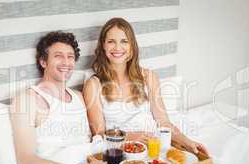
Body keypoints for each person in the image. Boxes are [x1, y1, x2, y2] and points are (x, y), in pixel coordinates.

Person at [83, 18, 209, 155]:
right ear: (103, 46)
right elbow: (99, 134)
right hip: (120, 152)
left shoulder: (149, 77)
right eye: (111, 41)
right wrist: (128, 137)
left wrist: (187, 141)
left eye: (124, 41)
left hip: (155, 147)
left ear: (132, 46)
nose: (118, 47)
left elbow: (164, 123)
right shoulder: (93, 85)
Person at [10, 31, 115, 164]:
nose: (66, 62)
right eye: (58, 56)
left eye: (70, 57)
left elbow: (93, 139)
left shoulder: (79, 97)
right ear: (43, 62)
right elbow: (27, 163)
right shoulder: (26, 100)